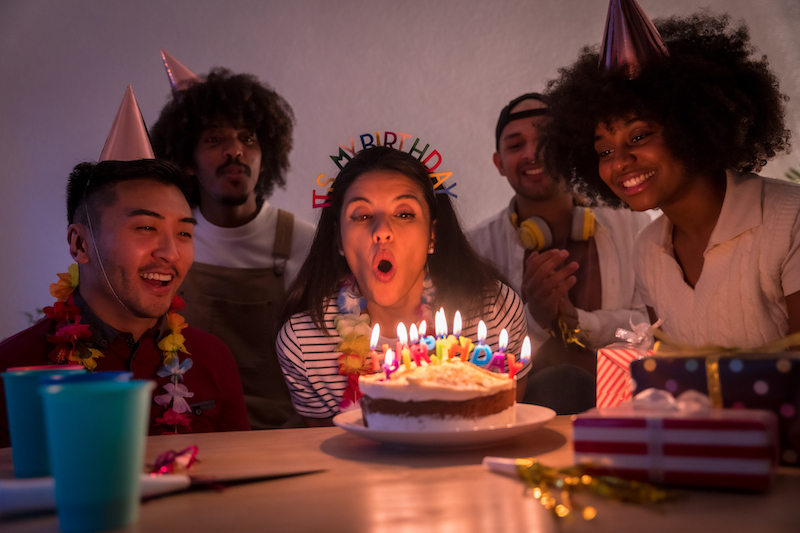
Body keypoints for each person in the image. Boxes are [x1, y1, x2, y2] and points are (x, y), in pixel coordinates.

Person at [539, 11, 800, 347]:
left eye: (639, 136)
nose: (619, 162)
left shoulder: (790, 220)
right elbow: (670, 371)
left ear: (692, 126)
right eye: (603, 151)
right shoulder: (648, 250)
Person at [0, 157, 251, 447]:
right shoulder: (15, 369)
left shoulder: (212, 357)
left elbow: (241, 477)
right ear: (80, 244)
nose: (171, 253)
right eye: (146, 228)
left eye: (184, 233)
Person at [277, 146, 528, 426]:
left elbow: (504, 425)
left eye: (404, 214)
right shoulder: (305, 343)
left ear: (432, 234)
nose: (382, 231)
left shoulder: (493, 313)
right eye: (361, 215)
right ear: (338, 238)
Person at [151, 68, 315, 429]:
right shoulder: (165, 247)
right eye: (214, 140)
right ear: (187, 161)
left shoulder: (306, 244)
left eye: (248, 138)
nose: (235, 150)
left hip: (281, 439)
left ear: (266, 154)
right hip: (186, 437)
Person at [469, 94, 649, 408]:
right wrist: (535, 318)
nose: (532, 154)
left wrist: (579, 321)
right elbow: (477, 352)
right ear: (499, 163)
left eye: (546, 141)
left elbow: (652, 326)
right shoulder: (478, 248)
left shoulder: (631, 223)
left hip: (626, 405)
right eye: (515, 145)